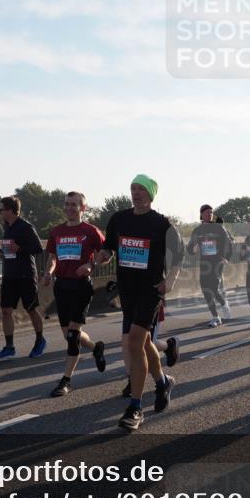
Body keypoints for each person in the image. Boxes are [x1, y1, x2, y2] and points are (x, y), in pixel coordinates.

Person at [95, 174, 184, 431]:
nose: (135, 193)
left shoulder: (162, 224)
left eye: (141, 189)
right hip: (128, 290)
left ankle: (135, 407)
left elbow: (178, 257)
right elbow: (108, 248)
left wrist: (171, 281)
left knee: (134, 341)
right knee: (143, 342)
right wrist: (98, 259)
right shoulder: (119, 219)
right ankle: (163, 381)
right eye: (132, 188)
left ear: (150, 194)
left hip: (150, 290)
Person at [42, 192, 107, 397]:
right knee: (69, 334)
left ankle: (66, 380)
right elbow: (53, 258)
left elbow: (106, 254)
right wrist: (47, 273)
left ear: (83, 208)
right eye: (67, 204)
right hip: (61, 286)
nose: (69, 208)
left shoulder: (91, 231)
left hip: (81, 287)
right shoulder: (56, 231)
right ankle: (96, 347)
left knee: (72, 336)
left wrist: (91, 264)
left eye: (74, 205)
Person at [0, 196, 46, 359]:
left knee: (30, 309)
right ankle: (9, 347)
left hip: (25, 275)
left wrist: (20, 248)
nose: (0, 212)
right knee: (6, 311)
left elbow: (38, 248)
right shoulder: (6, 227)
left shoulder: (26, 226)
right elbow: (11, 249)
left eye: (1, 209)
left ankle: (39, 340)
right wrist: (4, 252)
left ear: (10, 210)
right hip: (10, 274)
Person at [186, 204, 233, 327]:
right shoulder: (197, 230)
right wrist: (193, 249)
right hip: (205, 262)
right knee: (206, 290)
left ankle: (223, 304)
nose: (210, 214)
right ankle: (215, 317)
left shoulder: (218, 228)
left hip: (217, 261)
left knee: (213, 287)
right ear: (201, 214)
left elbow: (229, 243)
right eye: (207, 212)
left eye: (211, 212)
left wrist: (226, 257)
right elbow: (190, 247)